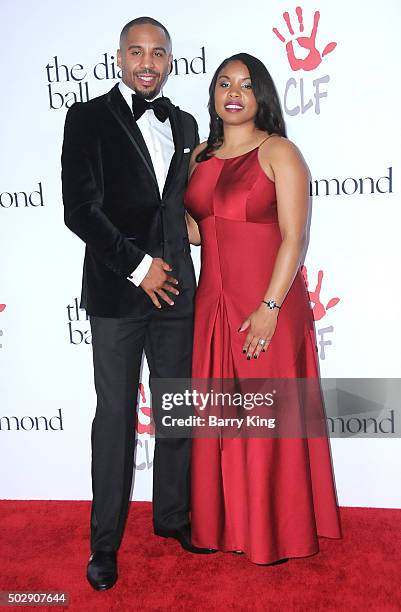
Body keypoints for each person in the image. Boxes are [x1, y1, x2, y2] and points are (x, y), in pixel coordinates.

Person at [62, 16, 214, 592]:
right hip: (118, 291)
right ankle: (104, 544)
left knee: (177, 408)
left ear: (170, 60)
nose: (147, 62)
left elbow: (178, 204)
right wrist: (137, 266)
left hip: (178, 289)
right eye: (136, 51)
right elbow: (81, 210)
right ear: (119, 57)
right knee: (116, 418)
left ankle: (173, 517)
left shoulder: (184, 122)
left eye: (158, 53)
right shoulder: (88, 117)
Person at [185, 53, 342, 565]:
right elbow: (196, 228)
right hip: (213, 304)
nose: (234, 92)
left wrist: (271, 306)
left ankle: (277, 533)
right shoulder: (198, 158)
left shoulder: (279, 152)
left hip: (268, 301)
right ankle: (223, 525)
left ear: (262, 98)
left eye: (247, 85)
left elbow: (295, 236)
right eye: (224, 83)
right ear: (212, 94)